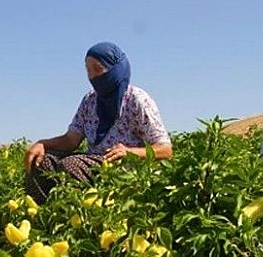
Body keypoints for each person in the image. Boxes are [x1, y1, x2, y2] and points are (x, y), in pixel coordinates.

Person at [24, 41, 173, 204]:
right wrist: (43, 144)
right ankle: (42, 218)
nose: (93, 76)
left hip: (124, 169)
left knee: (71, 165)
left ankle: (82, 221)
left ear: (116, 69)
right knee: (41, 161)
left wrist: (130, 152)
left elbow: (165, 150)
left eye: (98, 69)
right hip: (93, 163)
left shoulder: (137, 100)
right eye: (88, 70)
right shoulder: (90, 100)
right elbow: (71, 140)